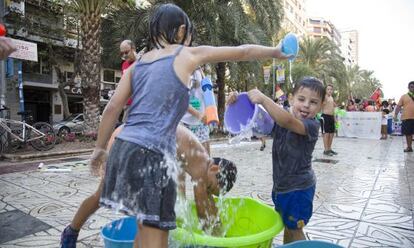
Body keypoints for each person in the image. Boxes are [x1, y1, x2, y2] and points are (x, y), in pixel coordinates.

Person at [89, 3, 291, 247]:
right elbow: (242, 51)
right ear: (182, 31)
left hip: (125, 148)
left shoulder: (138, 65)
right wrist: (276, 51)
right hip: (154, 153)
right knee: (157, 237)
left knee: (145, 230)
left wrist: (99, 149)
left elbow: (112, 108)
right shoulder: (188, 55)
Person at [60, 124, 237, 248]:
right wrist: (219, 241)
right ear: (215, 168)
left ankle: (71, 232)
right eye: (211, 188)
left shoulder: (196, 155)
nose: (207, 191)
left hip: (126, 135)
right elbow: (204, 215)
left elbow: (179, 185)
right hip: (134, 143)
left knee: (102, 195)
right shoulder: (201, 168)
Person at [227, 77, 325, 244]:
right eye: (301, 99)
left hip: (299, 190)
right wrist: (237, 102)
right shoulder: (281, 117)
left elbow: (287, 121)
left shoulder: (311, 126)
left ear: (321, 106)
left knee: (295, 230)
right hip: (282, 187)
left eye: (313, 102)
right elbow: (260, 124)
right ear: (291, 98)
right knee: (289, 226)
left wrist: (264, 98)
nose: (306, 105)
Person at [180, 67, 211, 154]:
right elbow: (179, 100)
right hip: (184, 122)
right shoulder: (181, 70)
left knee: (206, 158)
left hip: (201, 122)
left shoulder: (199, 71)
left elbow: (207, 94)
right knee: (187, 158)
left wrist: (209, 112)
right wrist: (199, 115)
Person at [119, 40, 137, 122]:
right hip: (127, 104)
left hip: (139, 104)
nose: (124, 56)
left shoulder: (142, 61)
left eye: (126, 52)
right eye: (122, 53)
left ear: (133, 49)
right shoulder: (124, 65)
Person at [394, 81, 414, 152]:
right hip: (407, 118)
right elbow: (398, 106)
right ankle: (409, 147)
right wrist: (395, 115)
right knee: (408, 133)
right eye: (411, 87)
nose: (413, 88)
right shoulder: (404, 96)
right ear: (408, 88)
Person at [320, 84, 337, 156]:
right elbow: (320, 105)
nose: (330, 90)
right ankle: (326, 150)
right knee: (326, 134)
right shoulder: (324, 97)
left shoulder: (331, 98)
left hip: (331, 117)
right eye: (328, 89)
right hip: (325, 117)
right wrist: (323, 102)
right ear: (326, 90)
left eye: (331, 89)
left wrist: (335, 118)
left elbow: (333, 108)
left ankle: (329, 149)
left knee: (332, 134)